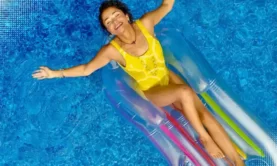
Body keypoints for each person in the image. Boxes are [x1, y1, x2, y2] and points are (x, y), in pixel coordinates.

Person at [32, 0, 244, 165]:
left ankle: (237, 161)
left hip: (167, 77)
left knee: (205, 114)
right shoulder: (112, 51)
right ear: (109, 30)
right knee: (185, 93)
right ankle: (205, 139)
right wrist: (55, 73)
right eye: (108, 22)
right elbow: (87, 69)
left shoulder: (146, 24)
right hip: (153, 91)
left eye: (116, 15)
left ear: (126, 15)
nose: (114, 21)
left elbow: (167, 5)